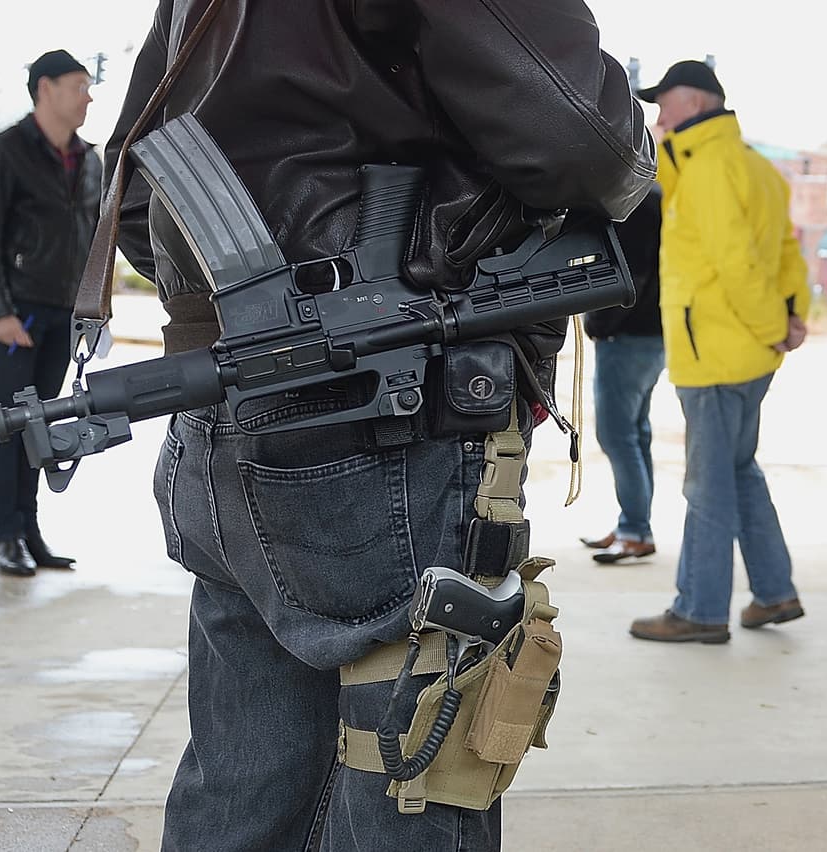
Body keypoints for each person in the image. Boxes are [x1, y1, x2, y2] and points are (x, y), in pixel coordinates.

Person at [106, 3, 654, 850]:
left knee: (244, 788)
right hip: (390, 426)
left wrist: (264, 301)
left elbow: (138, 186)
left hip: (228, 410)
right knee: (411, 776)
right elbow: (587, 142)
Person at [626, 60, 810, 645]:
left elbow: (738, 263)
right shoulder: (749, 164)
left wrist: (772, 325)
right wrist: (791, 317)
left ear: (695, 102)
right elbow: (787, 252)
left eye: (665, 102)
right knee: (738, 470)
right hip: (746, 353)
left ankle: (700, 610)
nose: (658, 114)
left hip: (715, 353)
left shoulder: (708, 169)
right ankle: (775, 592)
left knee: (707, 485)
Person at [0, 50, 101, 578]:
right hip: (19, 315)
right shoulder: (4, 152)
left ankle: (31, 528)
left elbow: (94, 240)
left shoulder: (89, 160)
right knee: (8, 424)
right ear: (46, 88)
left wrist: (93, 309)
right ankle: (6, 533)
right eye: (78, 85)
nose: (88, 97)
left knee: (42, 424)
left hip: (65, 315)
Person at [579, 184, 665, 564]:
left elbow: (631, 273)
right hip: (652, 333)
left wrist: (600, 323)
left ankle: (634, 530)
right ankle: (635, 526)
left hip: (628, 335)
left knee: (616, 435)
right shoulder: (655, 197)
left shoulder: (635, 202)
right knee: (636, 434)